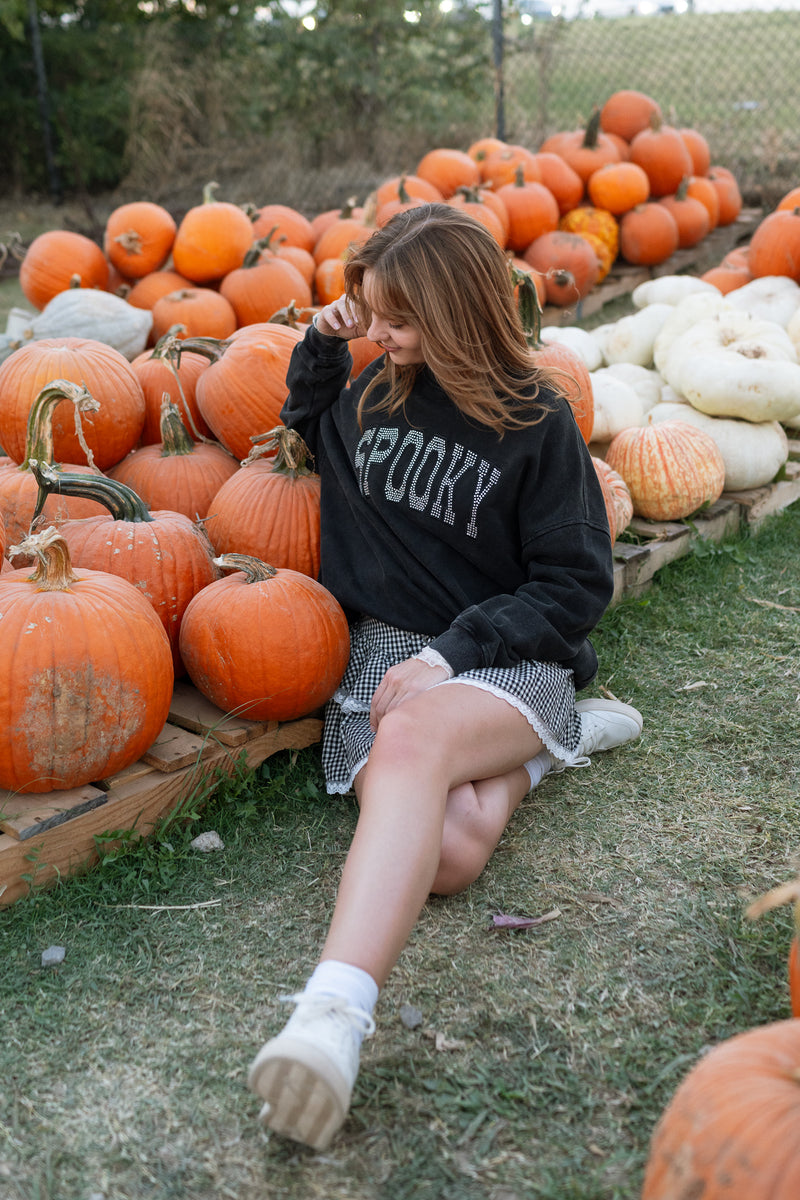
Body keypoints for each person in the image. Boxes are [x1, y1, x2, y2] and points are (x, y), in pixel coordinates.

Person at [247, 203, 642, 1151]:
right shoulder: (375, 390)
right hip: (384, 652)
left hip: (493, 655)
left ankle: (331, 1017)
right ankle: (564, 743)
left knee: (418, 739)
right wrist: (323, 334)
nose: (380, 333)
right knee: (454, 858)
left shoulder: (538, 420)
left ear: (460, 311)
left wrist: (449, 656)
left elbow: (577, 581)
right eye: (371, 314)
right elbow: (302, 415)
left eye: (399, 318)